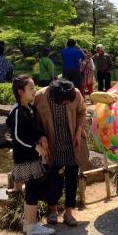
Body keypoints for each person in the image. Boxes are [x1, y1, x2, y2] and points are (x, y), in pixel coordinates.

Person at [34, 79, 90, 227]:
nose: (66, 104)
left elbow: (82, 112)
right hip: (51, 144)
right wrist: (41, 137)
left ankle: (68, 212)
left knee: (72, 177)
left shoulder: (75, 93)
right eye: (63, 102)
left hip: (72, 143)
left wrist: (79, 131)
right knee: (52, 177)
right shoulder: (40, 96)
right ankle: (52, 211)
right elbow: (35, 121)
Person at [6, 75, 55, 235]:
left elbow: (35, 129)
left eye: (34, 87)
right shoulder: (18, 112)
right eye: (31, 88)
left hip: (32, 156)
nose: (34, 91)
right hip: (25, 158)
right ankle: (30, 226)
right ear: (20, 91)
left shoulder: (30, 109)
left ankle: (30, 224)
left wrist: (42, 137)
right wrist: (36, 147)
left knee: (33, 189)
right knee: (32, 189)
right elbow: (18, 137)